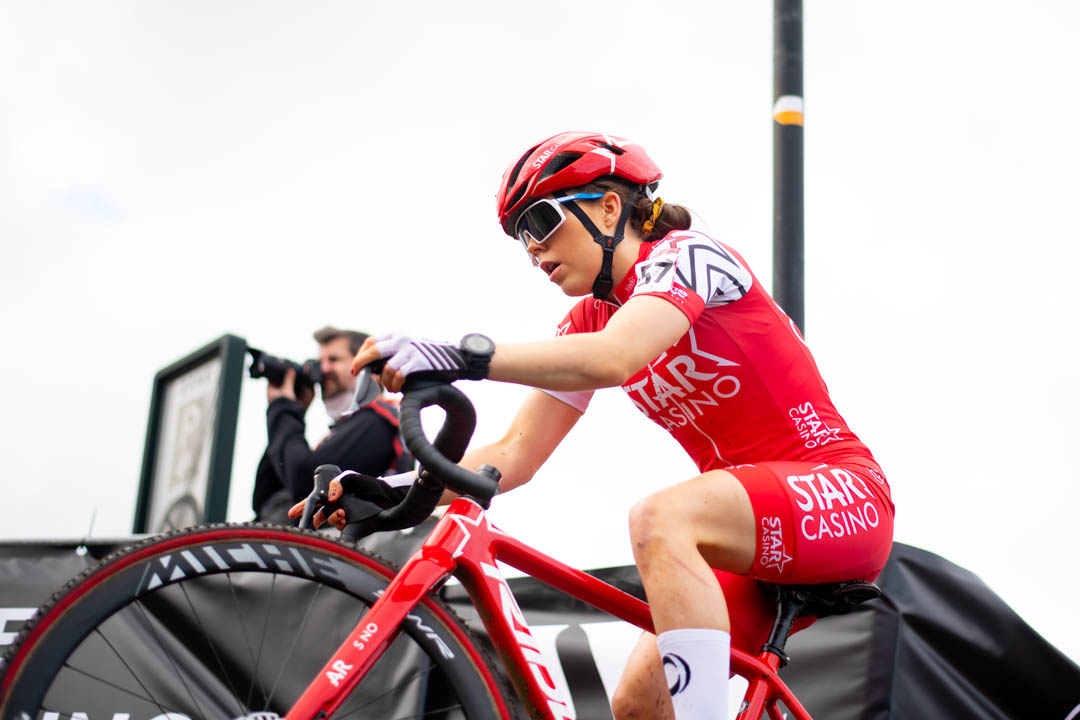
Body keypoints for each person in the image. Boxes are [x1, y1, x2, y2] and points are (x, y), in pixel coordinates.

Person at [318, 131, 895, 720]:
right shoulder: (587, 321)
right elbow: (514, 453)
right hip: (743, 526)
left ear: (610, 207)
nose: (533, 249)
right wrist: (388, 490)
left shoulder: (689, 256)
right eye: (520, 236)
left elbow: (615, 357)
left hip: (842, 491)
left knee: (659, 519)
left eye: (540, 221)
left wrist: (459, 356)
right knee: (639, 705)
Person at [252, 326, 411, 524]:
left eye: (334, 360)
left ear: (367, 366)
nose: (324, 369)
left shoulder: (378, 421)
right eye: (320, 362)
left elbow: (305, 483)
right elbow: (266, 499)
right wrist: (295, 410)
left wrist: (283, 407)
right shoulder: (345, 429)